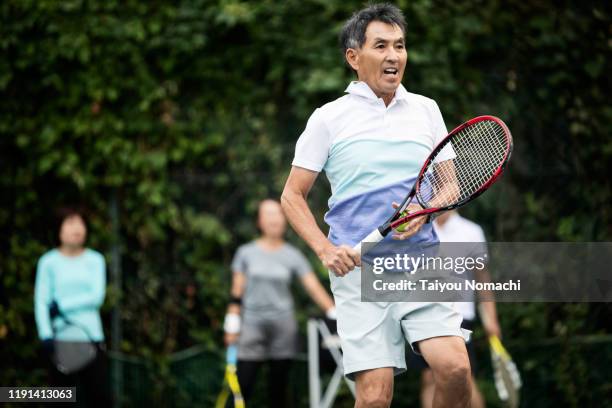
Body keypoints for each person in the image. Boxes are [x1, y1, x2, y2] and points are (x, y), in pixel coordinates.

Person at [280, 4, 472, 407]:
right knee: (374, 397)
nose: (393, 56)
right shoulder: (328, 118)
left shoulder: (426, 110)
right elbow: (292, 195)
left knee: (455, 369)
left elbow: (450, 186)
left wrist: (424, 214)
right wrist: (325, 249)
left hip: (422, 263)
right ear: (354, 57)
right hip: (360, 272)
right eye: (380, 45)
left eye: (399, 46)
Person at [223, 199, 336, 407]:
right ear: (259, 221)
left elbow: (312, 287)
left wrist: (333, 311)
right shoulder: (245, 253)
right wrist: (231, 324)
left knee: (279, 389)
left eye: (278, 214)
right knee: (243, 384)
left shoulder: (292, 256)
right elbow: (236, 292)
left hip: (283, 327)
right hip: (251, 325)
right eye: (269, 214)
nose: (274, 219)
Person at [413, 210, 502, 408]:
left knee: (464, 379)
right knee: (429, 378)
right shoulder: (419, 228)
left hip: (460, 317)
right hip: (424, 314)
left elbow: (483, 280)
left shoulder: (471, 232)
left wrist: (492, 319)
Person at [34, 207, 110, 407]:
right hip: (59, 342)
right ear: (58, 229)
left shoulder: (96, 260)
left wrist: (61, 306)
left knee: (99, 398)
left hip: (92, 341)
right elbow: (41, 301)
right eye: (70, 223)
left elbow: (96, 297)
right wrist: (45, 335)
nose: (77, 228)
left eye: (80, 223)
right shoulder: (47, 262)